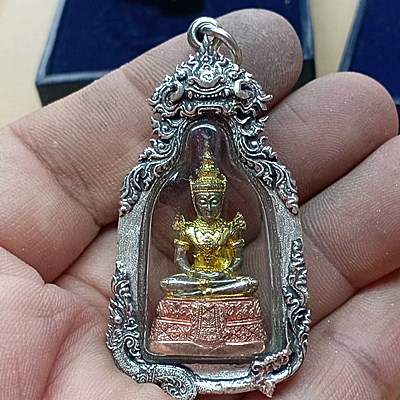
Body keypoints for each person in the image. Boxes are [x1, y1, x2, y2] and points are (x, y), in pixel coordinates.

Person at [0, 9, 399, 400]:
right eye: (202, 198)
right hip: (191, 285)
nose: (208, 204)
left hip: (225, 284)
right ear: (194, 195)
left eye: (213, 198)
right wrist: (197, 277)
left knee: (246, 285)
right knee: (173, 284)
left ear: (220, 195)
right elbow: (181, 261)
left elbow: (236, 263)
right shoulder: (188, 226)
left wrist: (221, 271)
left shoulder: (228, 225)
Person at [160, 141, 258, 298]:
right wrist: (194, 274)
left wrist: (223, 274)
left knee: (249, 283)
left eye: (214, 201)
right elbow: (180, 258)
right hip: (196, 277)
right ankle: (207, 289)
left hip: (222, 278)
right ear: (195, 201)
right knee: (167, 283)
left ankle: (208, 291)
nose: (209, 207)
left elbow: (238, 259)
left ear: (221, 201)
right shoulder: (188, 229)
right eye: (203, 202)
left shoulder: (229, 228)